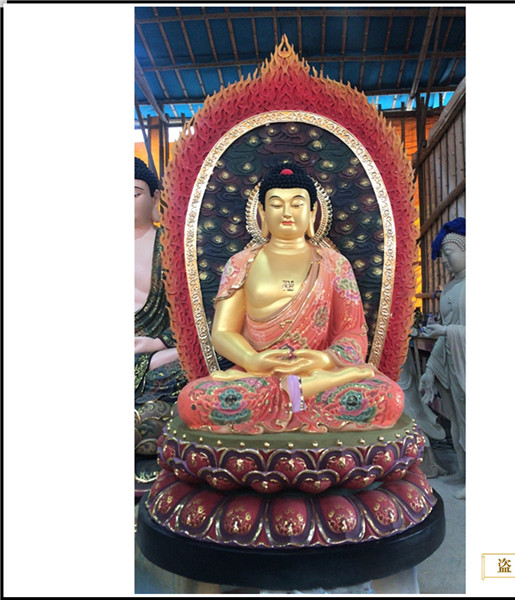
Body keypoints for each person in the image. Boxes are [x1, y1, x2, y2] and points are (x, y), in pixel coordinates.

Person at [177, 164, 404, 434]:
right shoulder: (241, 264)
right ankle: (297, 396)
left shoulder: (335, 264)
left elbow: (353, 332)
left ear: (312, 212)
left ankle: (299, 392)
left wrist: (326, 360)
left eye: (297, 204)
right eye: (276, 205)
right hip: (262, 376)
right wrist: (251, 360)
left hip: (317, 372)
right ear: (262, 213)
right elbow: (223, 332)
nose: (287, 212)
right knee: (192, 401)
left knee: (388, 397)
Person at [135, 157, 187, 489]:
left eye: (133, 194)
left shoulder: (172, 245)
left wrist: (160, 342)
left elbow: (192, 308)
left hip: (158, 355)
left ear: (155, 198)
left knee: (202, 360)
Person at [419, 217, 465, 498]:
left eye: (449, 254)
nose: (445, 261)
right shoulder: (449, 288)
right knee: (458, 423)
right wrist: (430, 372)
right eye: (443, 256)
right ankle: (464, 470)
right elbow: (444, 334)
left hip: (468, 364)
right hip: (454, 362)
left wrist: (447, 331)